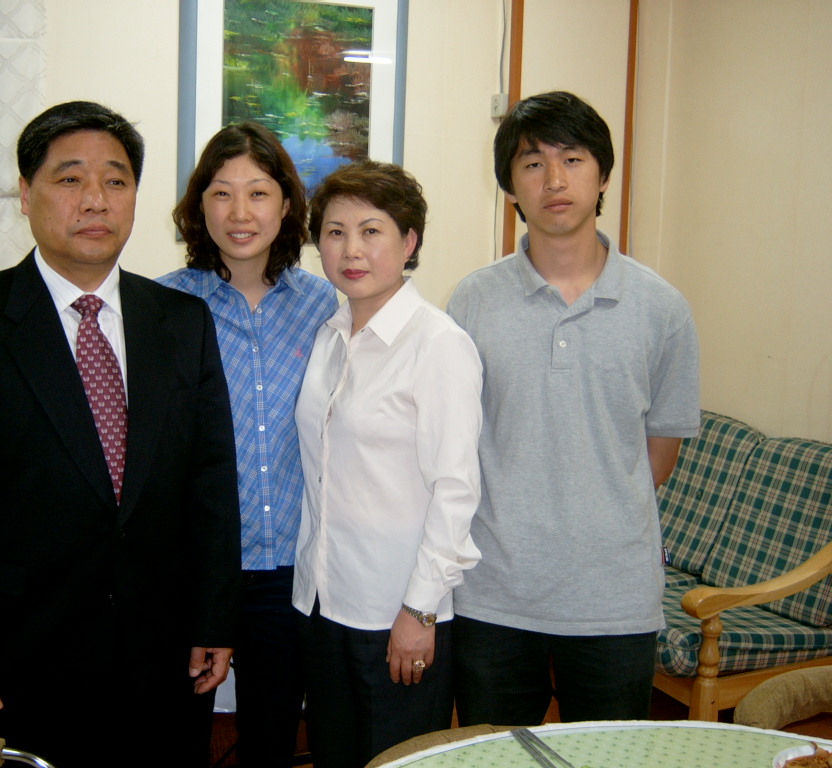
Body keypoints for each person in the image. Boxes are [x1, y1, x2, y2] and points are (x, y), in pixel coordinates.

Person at [0, 101, 241, 767]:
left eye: (116, 180)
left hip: (167, 657)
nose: (95, 200)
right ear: (25, 193)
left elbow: (211, 485)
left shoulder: (182, 321)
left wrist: (214, 617)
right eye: (69, 179)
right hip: (27, 660)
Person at [447, 91, 701, 725]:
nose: (554, 180)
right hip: (494, 592)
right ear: (510, 185)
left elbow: (659, 456)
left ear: (603, 175)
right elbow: (456, 441)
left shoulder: (662, 309)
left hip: (614, 599)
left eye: (573, 159)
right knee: (495, 760)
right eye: (533, 163)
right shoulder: (472, 302)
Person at [293, 160, 483, 768]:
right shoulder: (329, 335)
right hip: (324, 601)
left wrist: (419, 611)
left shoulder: (439, 344)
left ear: (409, 242)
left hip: (398, 610)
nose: (351, 249)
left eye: (371, 231)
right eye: (335, 232)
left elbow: (455, 491)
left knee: (398, 760)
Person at [159, 123, 337, 767]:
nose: (240, 213)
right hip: (192, 569)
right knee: (177, 738)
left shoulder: (326, 306)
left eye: (258, 193)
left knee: (271, 740)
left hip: (289, 570)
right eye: (222, 193)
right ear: (199, 205)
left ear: (286, 204)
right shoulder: (163, 306)